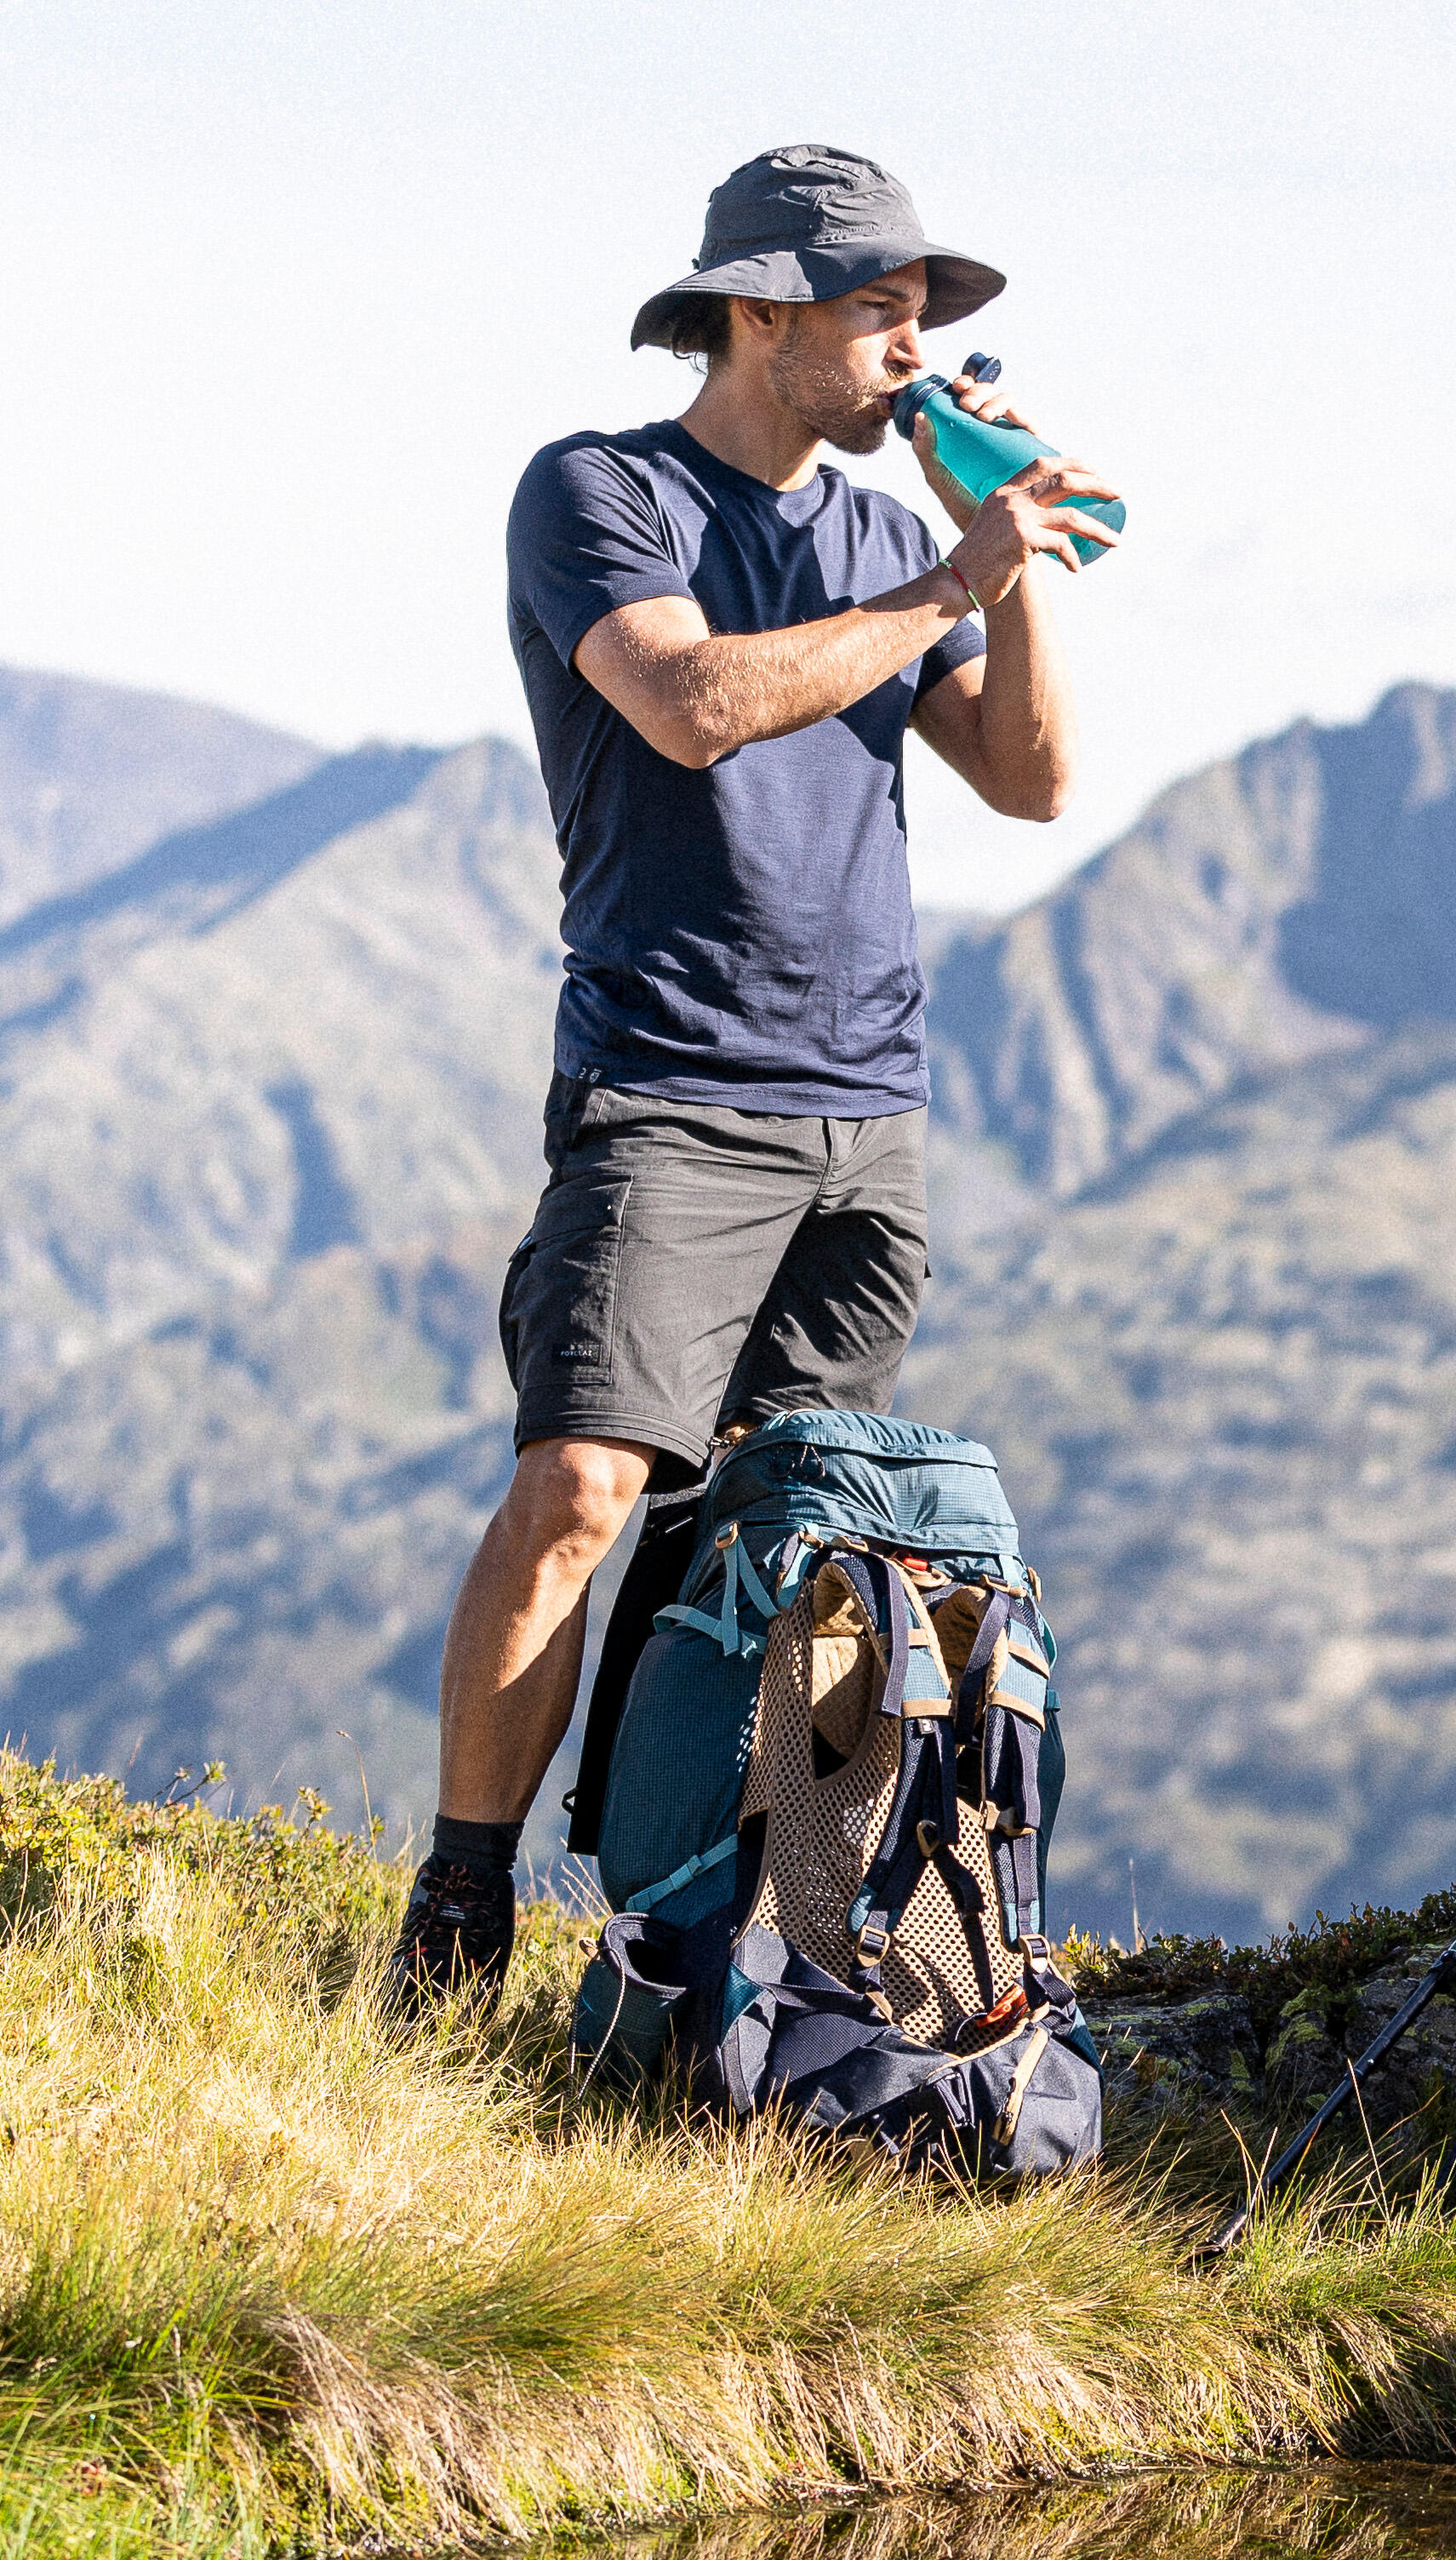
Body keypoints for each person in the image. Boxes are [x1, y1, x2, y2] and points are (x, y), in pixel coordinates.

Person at [397, 146, 1119, 2009]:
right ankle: (460, 1912)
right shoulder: (599, 490)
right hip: (673, 1079)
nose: (911, 345)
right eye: (882, 309)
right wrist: (951, 569)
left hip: (868, 1115)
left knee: (773, 1535)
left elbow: (1033, 782)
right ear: (760, 308)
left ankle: (673, 1924)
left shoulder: (899, 543)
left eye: (925, 318)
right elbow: (691, 703)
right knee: (577, 1484)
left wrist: (1009, 563)